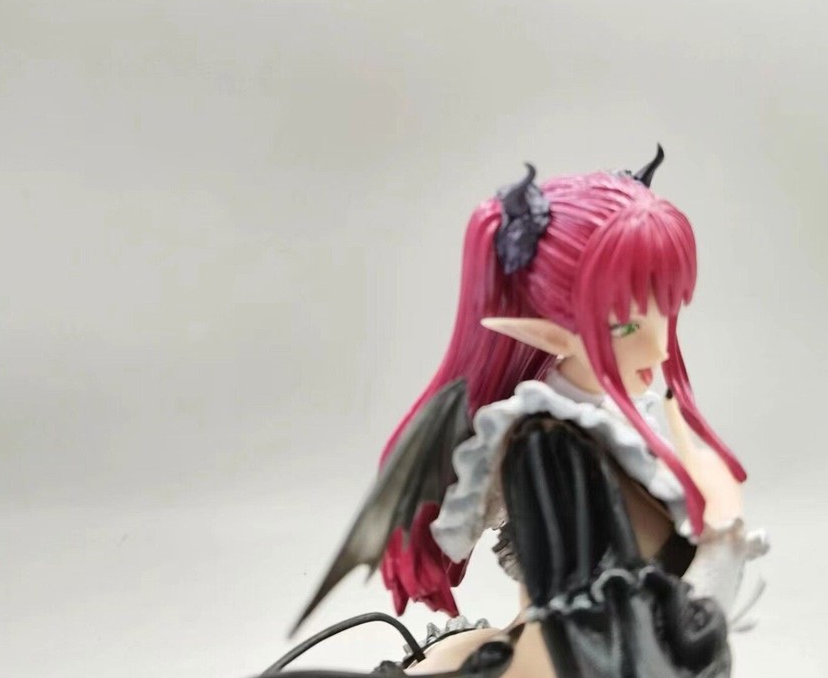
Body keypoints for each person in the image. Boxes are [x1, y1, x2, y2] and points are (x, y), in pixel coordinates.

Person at [288, 149, 768, 678]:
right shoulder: (549, 450)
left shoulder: (619, 428)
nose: (657, 348)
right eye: (627, 326)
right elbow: (583, 649)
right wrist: (722, 536)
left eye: (667, 312)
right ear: (548, 331)